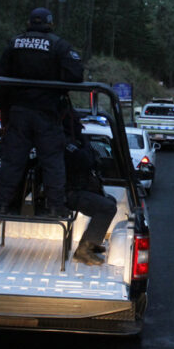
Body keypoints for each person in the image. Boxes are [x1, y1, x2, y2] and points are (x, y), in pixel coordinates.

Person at [0, 7, 83, 218]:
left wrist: (5, 110)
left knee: (12, 160)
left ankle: (0, 205)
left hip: (19, 111)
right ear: (50, 23)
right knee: (52, 161)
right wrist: (56, 85)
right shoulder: (58, 45)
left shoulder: (14, 44)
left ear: (29, 22)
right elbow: (76, 74)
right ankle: (55, 207)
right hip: (46, 112)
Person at [62, 111, 117, 266]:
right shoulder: (65, 143)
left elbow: (93, 161)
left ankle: (90, 243)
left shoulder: (73, 141)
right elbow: (85, 160)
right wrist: (85, 144)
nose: (81, 126)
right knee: (107, 207)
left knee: (109, 201)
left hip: (75, 189)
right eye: (77, 122)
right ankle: (84, 251)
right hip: (67, 193)